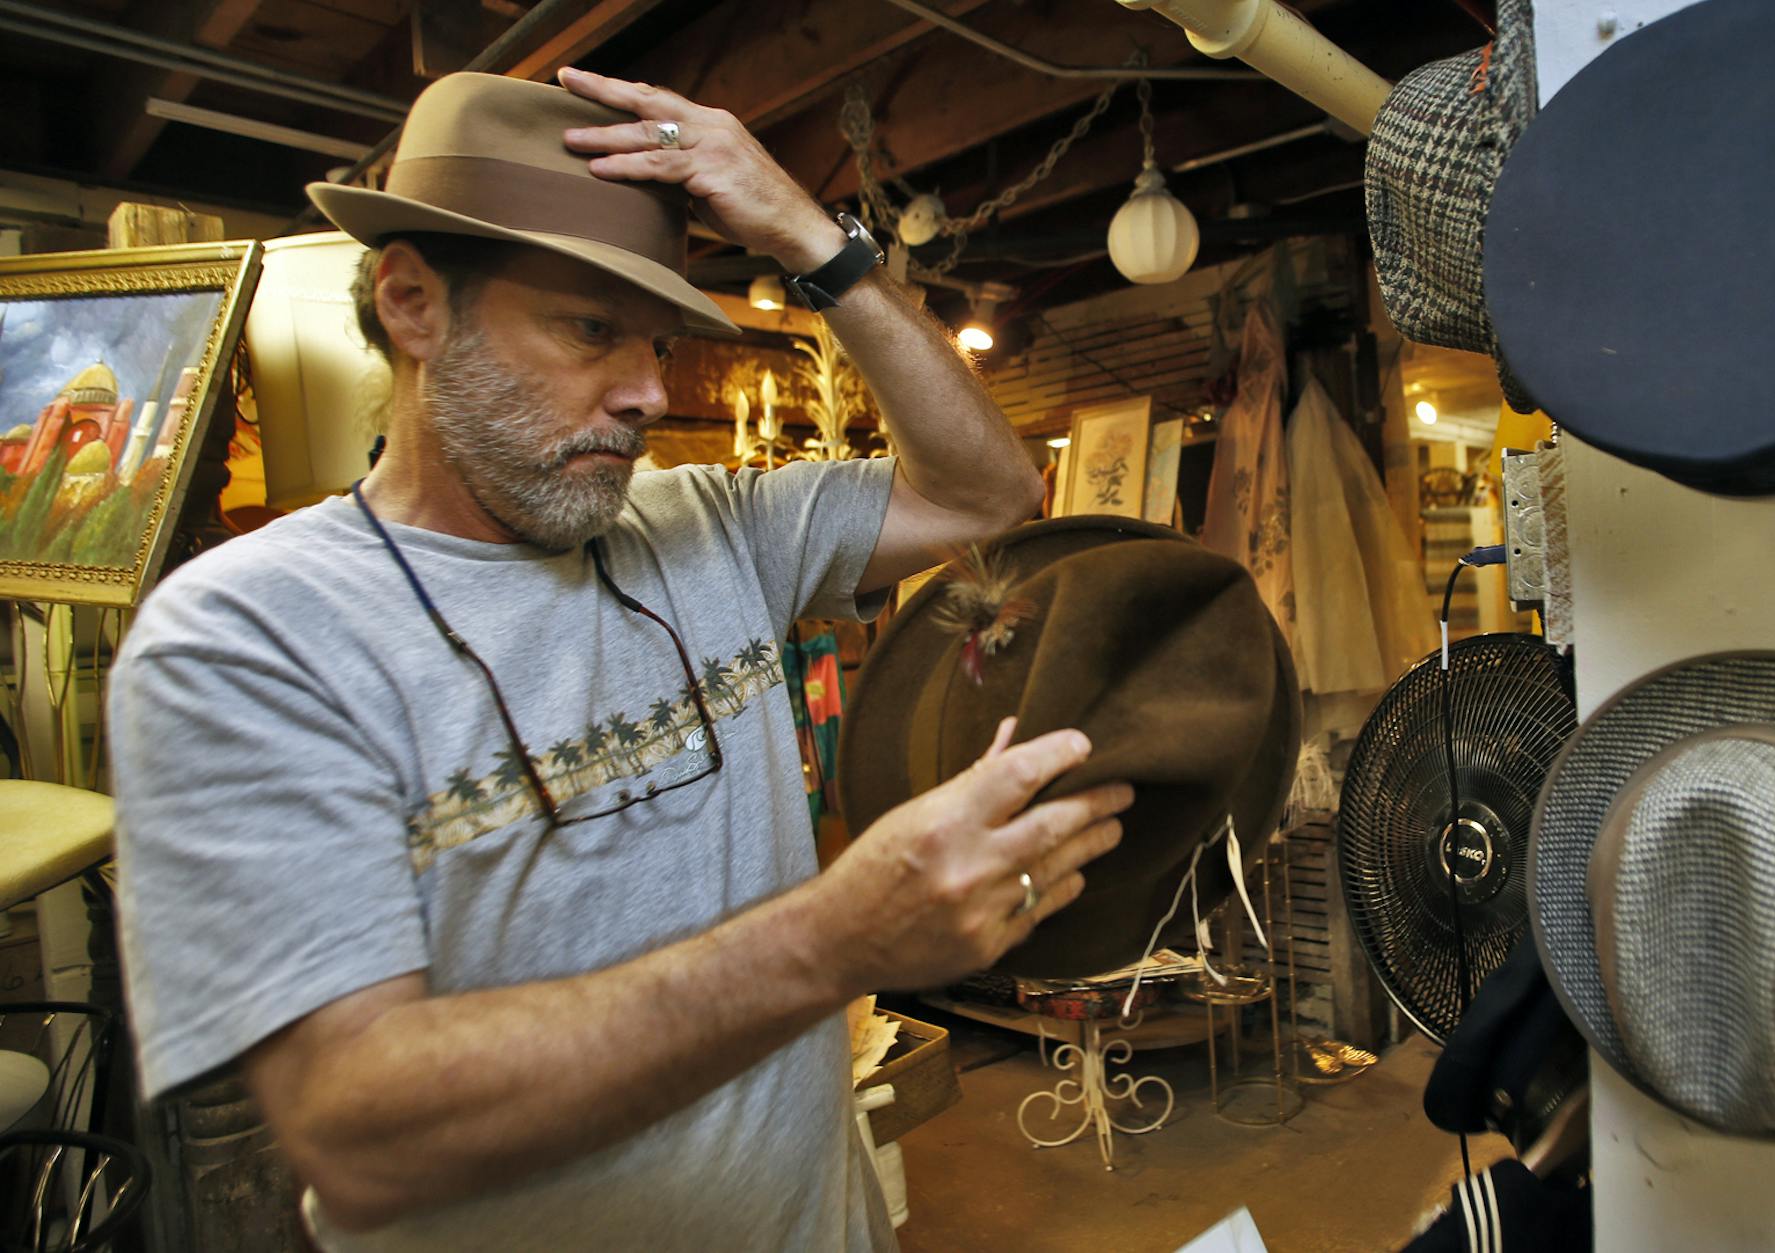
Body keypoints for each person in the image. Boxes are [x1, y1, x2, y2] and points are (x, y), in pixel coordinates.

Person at [107, 67, 1132, 1251]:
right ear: (413, 304)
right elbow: (359, 1130)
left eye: (655, 340)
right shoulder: (247, 639)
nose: (649, 389)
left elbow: (985, 492)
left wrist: (814, 238)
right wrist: (833, 938)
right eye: (591, 328)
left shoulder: (710, 528)